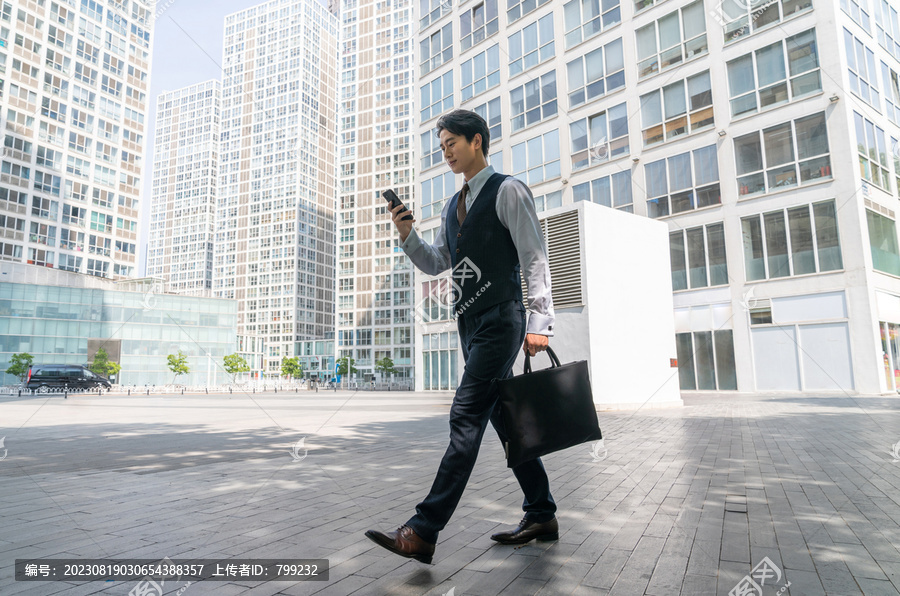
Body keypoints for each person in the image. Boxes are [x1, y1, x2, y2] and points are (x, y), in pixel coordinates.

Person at [365, 109, 558, 564]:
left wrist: (540, 324)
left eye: (452, 142)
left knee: (465, 416)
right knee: (505, 420)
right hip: (470, 323)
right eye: (442, 145)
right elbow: (437, 263)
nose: (446, 151)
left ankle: (423, 530)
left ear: (477, 141)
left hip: (504, 318)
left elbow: (534, 255)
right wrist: (408, 234)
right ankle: (542, 512)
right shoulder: (454, 207)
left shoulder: (508, 190)